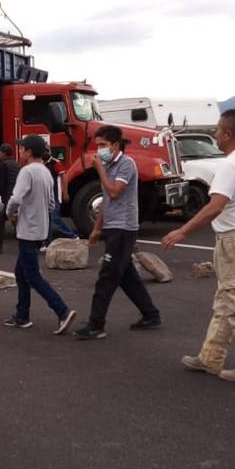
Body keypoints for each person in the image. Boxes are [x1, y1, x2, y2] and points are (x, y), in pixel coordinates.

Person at [161, 109, 235, 384]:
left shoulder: (230, 165)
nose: (215, 135)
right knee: (228, 301)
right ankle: (210, 357)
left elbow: (215, 206)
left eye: (217, 130)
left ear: (227, 134)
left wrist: (182, 231)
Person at [73, 126, 162, 340]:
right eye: (98, 145)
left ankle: (96, 325)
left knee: (107, 277)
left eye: (103, 145)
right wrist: (96, 228)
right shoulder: (108, 164)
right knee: (126, 276)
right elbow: (105, 200)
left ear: (115, 145)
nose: (99, 149)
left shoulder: (126, 164)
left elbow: (114, 192)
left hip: (124, 228)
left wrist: (99, 170)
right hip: (113, 226)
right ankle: (151, 315)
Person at [4, 135, 77, 334]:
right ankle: (22, 315)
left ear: (29, 151)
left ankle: (62, 310)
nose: (19, 152)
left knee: (32, 276)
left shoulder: (27, 171)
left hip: (28, 230)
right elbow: (53, 203)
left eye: (22, 149)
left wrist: (9, 213)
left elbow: (16, 198)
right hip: (42, 230)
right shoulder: (45, 171)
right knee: (21, 273)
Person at [0, 144, 19, 254]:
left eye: (0, 152)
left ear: (4, 153)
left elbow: (2, 185)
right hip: (17, 196)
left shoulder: (4, 165)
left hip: (9, 197)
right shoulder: (16, 164)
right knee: (14, 220)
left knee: (1, 221)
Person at [43, 151, 78, 249]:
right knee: (47, 220)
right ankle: (48, 242)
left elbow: (64, 177)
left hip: (54, 195)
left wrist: (65, 193)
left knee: (54, 217)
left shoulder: (55, 163)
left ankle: (72, 235)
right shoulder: (41, 163)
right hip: (45, 196)